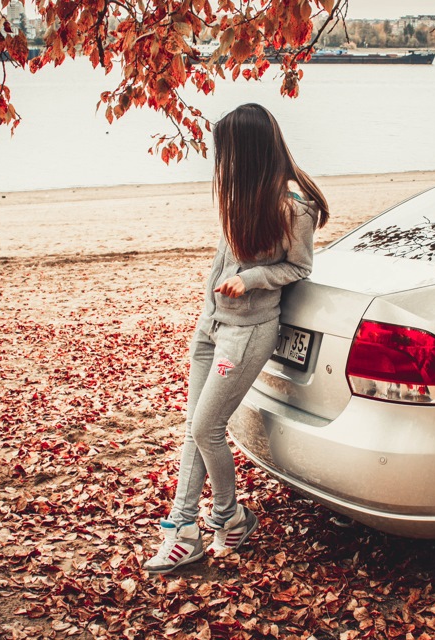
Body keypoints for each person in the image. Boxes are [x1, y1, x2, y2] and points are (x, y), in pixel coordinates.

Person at [144, 103, 329, 574]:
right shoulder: (240, 192)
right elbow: (220, 262)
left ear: (246, 152)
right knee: (195, 429)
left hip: (247, 333)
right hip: (212, 327)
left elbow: (300, 266)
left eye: (226, 152)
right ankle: (192, 527)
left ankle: (221, 519)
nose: (219, 162)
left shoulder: (293, 206)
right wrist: (207, 313)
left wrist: (254, 279)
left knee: (206, 428)